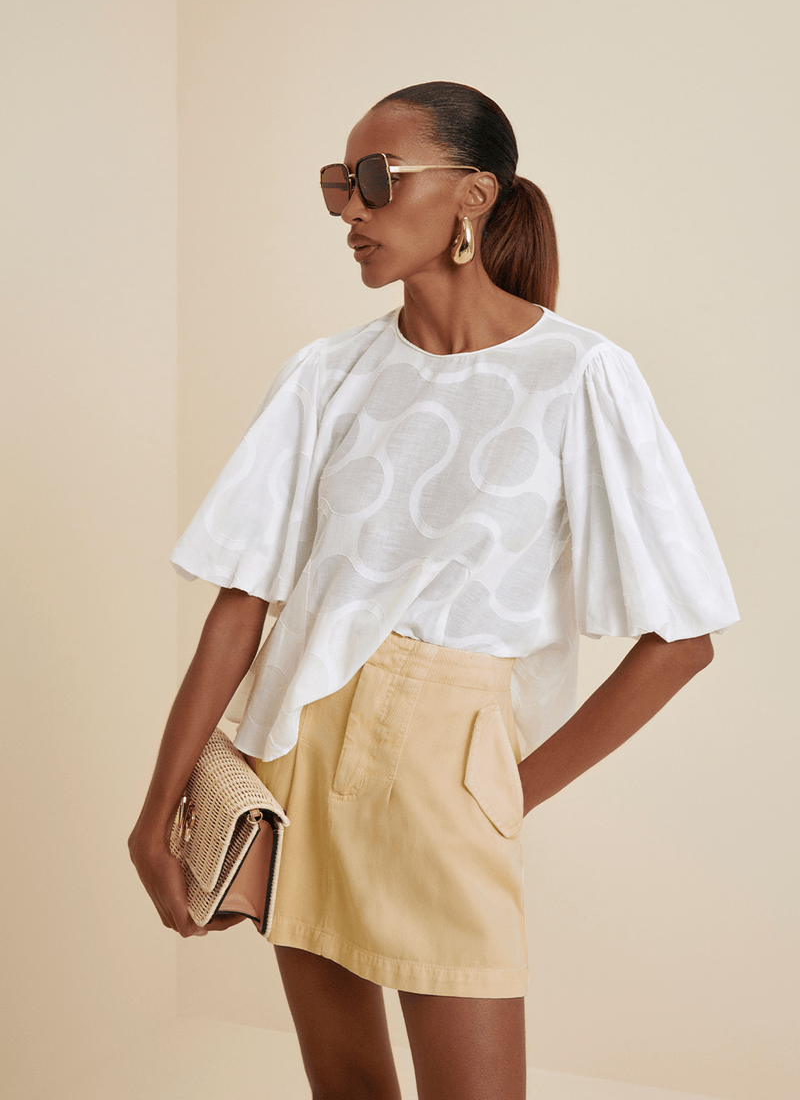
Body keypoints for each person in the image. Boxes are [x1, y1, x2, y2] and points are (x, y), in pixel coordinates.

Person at [129, 81, 739, 1100]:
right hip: (295, 746)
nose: (350, 210)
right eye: (339, 184)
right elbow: (242, 600)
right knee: (347, 1090)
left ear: (473, 193)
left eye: (376, 180)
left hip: (449, 766)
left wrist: (509, 793)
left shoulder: (580, 375)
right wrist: (159, 806)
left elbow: (683, 637)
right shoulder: (326, 374)